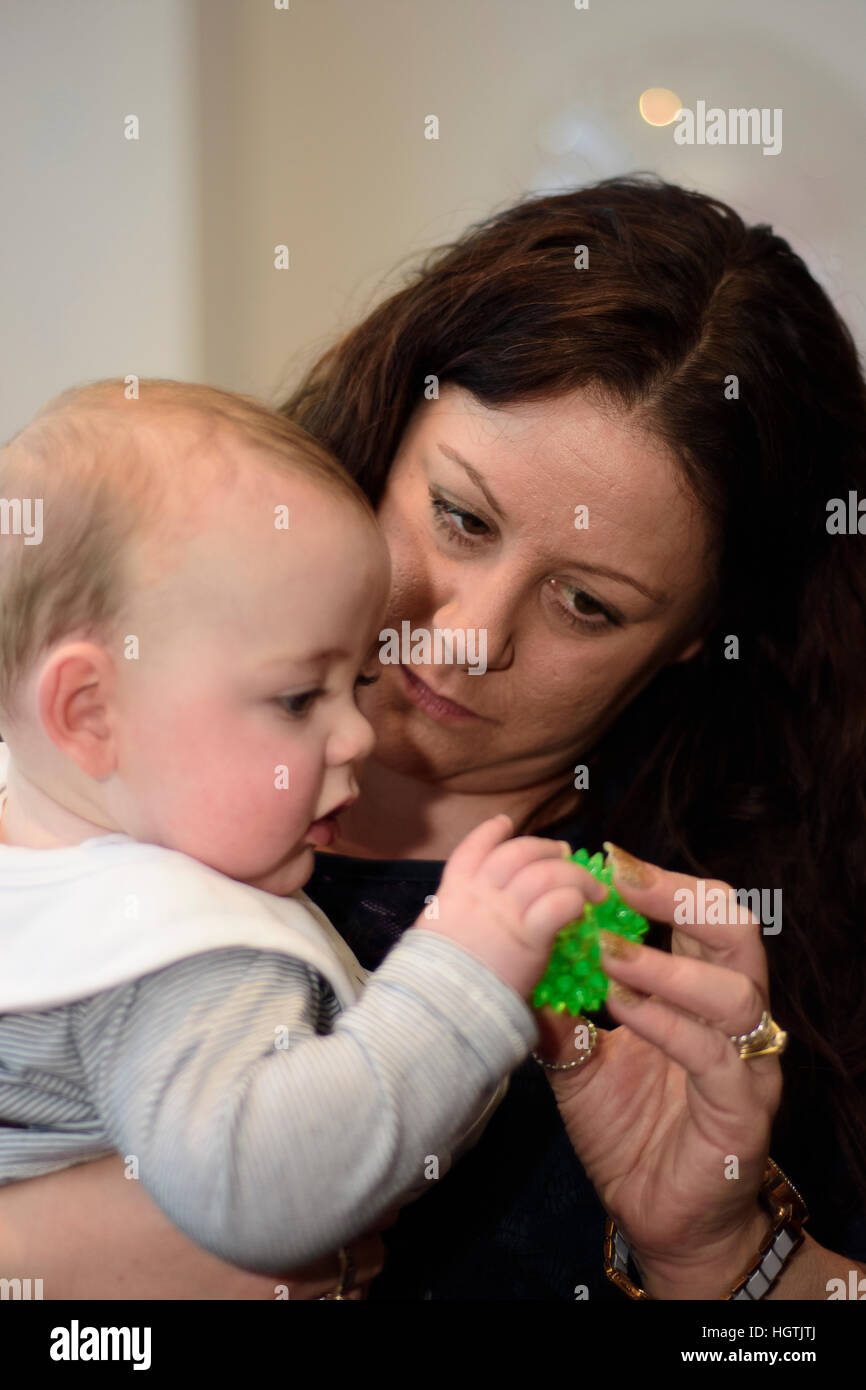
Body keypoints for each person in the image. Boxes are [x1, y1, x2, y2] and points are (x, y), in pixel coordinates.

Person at [2, 175, 864, 1300]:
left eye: (585, 605)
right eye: (458, 516)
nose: (462, 640)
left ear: (695, 639)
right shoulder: (75, 766)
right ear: (386, 431)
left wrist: (721, 1254)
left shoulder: (682, 958)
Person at [0, 379, 604, 1284]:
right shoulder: (185, 952)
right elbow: (274, 1196)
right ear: (89, 712)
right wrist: (462, 979)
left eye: (357, 682)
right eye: (297, 697)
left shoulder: (41, 851)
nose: (356, 733)